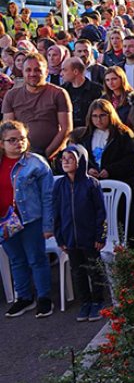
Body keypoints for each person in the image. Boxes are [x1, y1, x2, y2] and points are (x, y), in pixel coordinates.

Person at [0, 120, 55, 318]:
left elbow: (48, 196)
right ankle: (23, 297)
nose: (18, 143)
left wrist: (48, 225)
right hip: (5, 222)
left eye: (22, 138)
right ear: (2, 143)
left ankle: (44, 298)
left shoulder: (36, 163)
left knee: (37, 259)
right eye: (12, 140)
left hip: (31, 219)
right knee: (16, 260)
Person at [72, 99, 134, 244]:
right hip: (96, 187)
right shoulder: (85, 136)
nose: (98, 120)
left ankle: (133, 258)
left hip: (120, 184)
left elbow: (133, 157)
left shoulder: (122, 134)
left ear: (110, 115)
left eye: (102, 115)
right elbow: (81, 159)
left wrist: (110, 170)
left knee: (125, 224)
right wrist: (88, 169)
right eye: (95, 116)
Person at [52, 145, 107, 322]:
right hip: (70, 238)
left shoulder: (91, 184)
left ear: (80, 160)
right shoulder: (59, 185)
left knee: (94, 269)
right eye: (63, 158)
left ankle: (98, 301)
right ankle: (85, 302)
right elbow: (56, 213)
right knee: (78, 271)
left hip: (90, 238)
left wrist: (100, 236)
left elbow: (101, 212)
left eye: (71, 158)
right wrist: (60, 238)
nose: (66, 161)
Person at [2, 52, 71, 160]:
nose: (32, 74)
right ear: (22, 72)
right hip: (22, 156)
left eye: (37, 70)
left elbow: (66, 128)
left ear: (46, 72)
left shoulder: (59, 93)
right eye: (28, 70)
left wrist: (47, 153)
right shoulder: (11, 95)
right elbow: (7, 130)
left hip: (53, 156)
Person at [61, 57, 103, 129]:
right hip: (69, 131)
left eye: (64, 70)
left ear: (75, 72)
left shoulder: (96, 90)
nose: (61, 74)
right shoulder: (62, 90)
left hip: (90, 131)